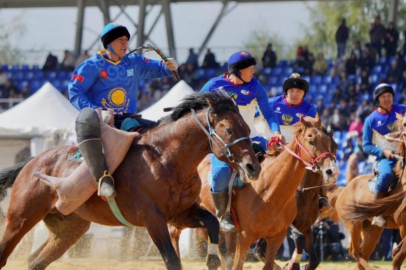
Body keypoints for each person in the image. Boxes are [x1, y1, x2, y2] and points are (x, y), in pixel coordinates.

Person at [68, 23, 178, 199]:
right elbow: (74, 92)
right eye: (120, 40)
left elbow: (162, 69)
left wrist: (171, 65)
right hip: (104, 122)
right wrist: (97, 111)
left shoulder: (134, 62)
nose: (125, 43)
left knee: (161, 134)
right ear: (108, 43)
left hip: (129, 119)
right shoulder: (91, 66)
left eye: (126, 39)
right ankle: (103, 180)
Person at [200, 51, 284, 232]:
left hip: (250, 137)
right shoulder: (213, 85)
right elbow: (196, 109)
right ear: (237, 71)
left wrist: (276, 131)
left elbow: (268, 113)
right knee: (219, 174)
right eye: (249, 68)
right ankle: (223, 215)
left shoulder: (256, 86)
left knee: (279, 160)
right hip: (225, 142)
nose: (253, 71)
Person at [268, 73, 332, 214]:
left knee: (317, 164)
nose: (295, 94)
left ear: (304, 94)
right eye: (292, 91)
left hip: (297, 150)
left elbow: (314, 134)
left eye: (299, 92)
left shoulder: (310, 109)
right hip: (272, 146)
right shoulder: (271, 103)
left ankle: (322, 197)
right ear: (286, 92)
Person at [362, 84, 406, 227]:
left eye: (389, 96)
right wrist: (383, 152)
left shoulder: (403, 110)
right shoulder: (371, 120)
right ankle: (377, 212)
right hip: (387, 158)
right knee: (386, 175)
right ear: (377, 100)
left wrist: (399, 134)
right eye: (383, 97)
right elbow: (366, 145)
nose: (387, 99)